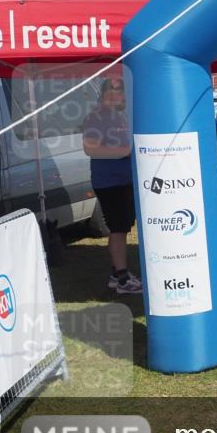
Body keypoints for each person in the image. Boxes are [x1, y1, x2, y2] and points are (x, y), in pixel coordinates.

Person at [82, 78, 142, 294]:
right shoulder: (95, 117)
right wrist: (126, 151)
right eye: (112, 90)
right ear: (104, 93)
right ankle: (123, 280)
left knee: (123, 227)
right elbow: (91, 149)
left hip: (124, 180)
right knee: (117, 229)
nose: (117, 94)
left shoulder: (120, 116)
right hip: (108, 181)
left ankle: (117, 275)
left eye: (120, 90)